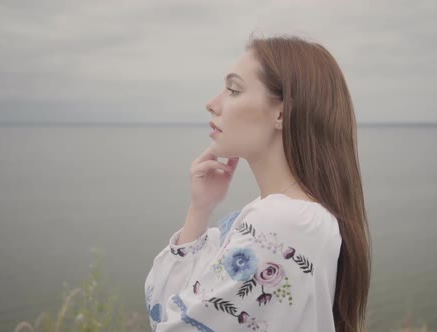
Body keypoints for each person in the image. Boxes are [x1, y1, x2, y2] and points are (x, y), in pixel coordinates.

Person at [144, 32, 371, 332]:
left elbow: (172, 325)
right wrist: (200, 208)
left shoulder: (283, 222)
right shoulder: (282, 217)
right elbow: (166, 311)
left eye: (233, 90)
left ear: (281, 112)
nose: (212, 104)